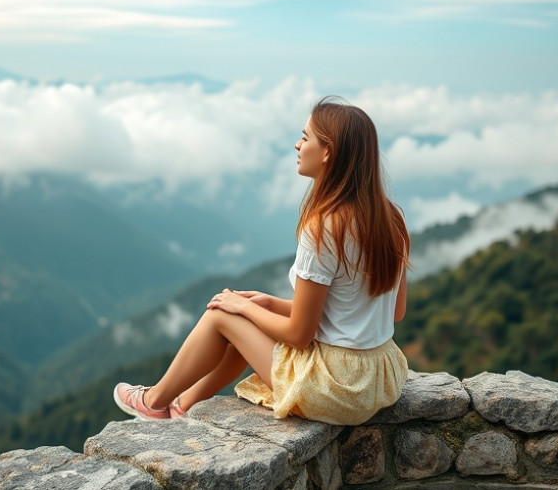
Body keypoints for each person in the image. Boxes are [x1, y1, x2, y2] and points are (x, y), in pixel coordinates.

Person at [113, 96, 410, 425]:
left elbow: (299, 335)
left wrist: (244, 308)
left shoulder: (325, 228)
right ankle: (182, 405)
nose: (297, 144)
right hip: (379, 379)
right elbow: (392, 312)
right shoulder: (390, 218)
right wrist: (268, 303)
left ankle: (153, 402)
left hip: (338, 388)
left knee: (221, 315)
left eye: (306, 137)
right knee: (247, 314)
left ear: (328, 152)